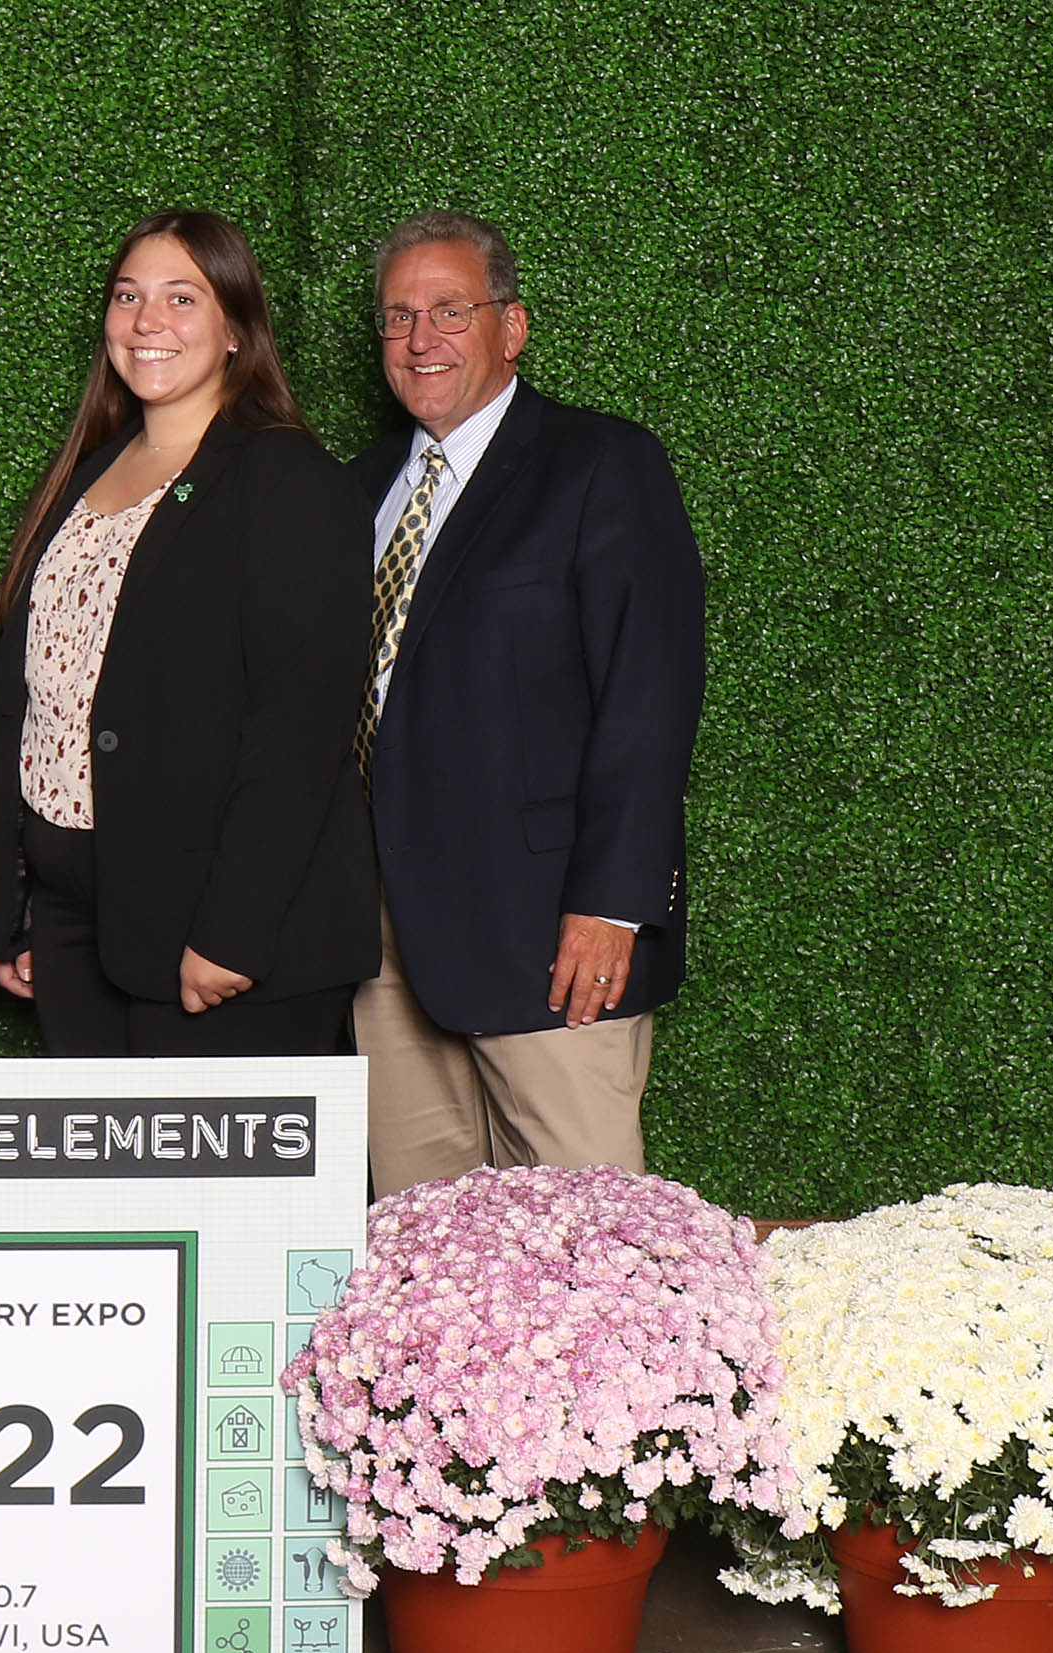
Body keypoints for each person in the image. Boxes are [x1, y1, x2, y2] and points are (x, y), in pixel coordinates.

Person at [349, 210, 704, 1198]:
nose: (421, 340)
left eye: (450, 311)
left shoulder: (600, 466)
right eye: (397, 317)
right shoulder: (360, 488)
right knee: (427, 1248)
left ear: (513, 325)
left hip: (546, 932)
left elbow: (649, 691)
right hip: (383, 945)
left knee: (582, 1247)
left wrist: (614, 904)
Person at [0, 211, 377, 1055]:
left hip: (218, 940)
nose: (147, 322)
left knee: (214, 1195)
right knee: (102, 1186)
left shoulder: (287, 479)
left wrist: (232, 932)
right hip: (75, 925)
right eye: (128, 296)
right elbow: (32, 700)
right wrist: (15, 897)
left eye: (181, 298)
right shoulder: (88, 472)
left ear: (236, 328)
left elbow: (301, 729)